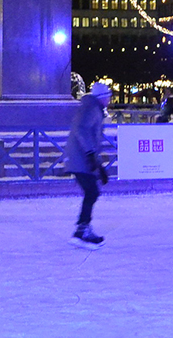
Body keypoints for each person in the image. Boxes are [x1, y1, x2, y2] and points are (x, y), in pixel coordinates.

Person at [65, 81, 111, 248]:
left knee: (92, 192)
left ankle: (82, 229)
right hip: (79, 159)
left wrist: (99, 166)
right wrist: (91, 156)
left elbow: (89, 136)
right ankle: (81, 231)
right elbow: (82, 131)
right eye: (108, 97)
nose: (110, 100)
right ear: (102, 97)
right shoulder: (91, 108)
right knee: (92, 192)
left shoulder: (93, 108)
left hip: (81, 158)